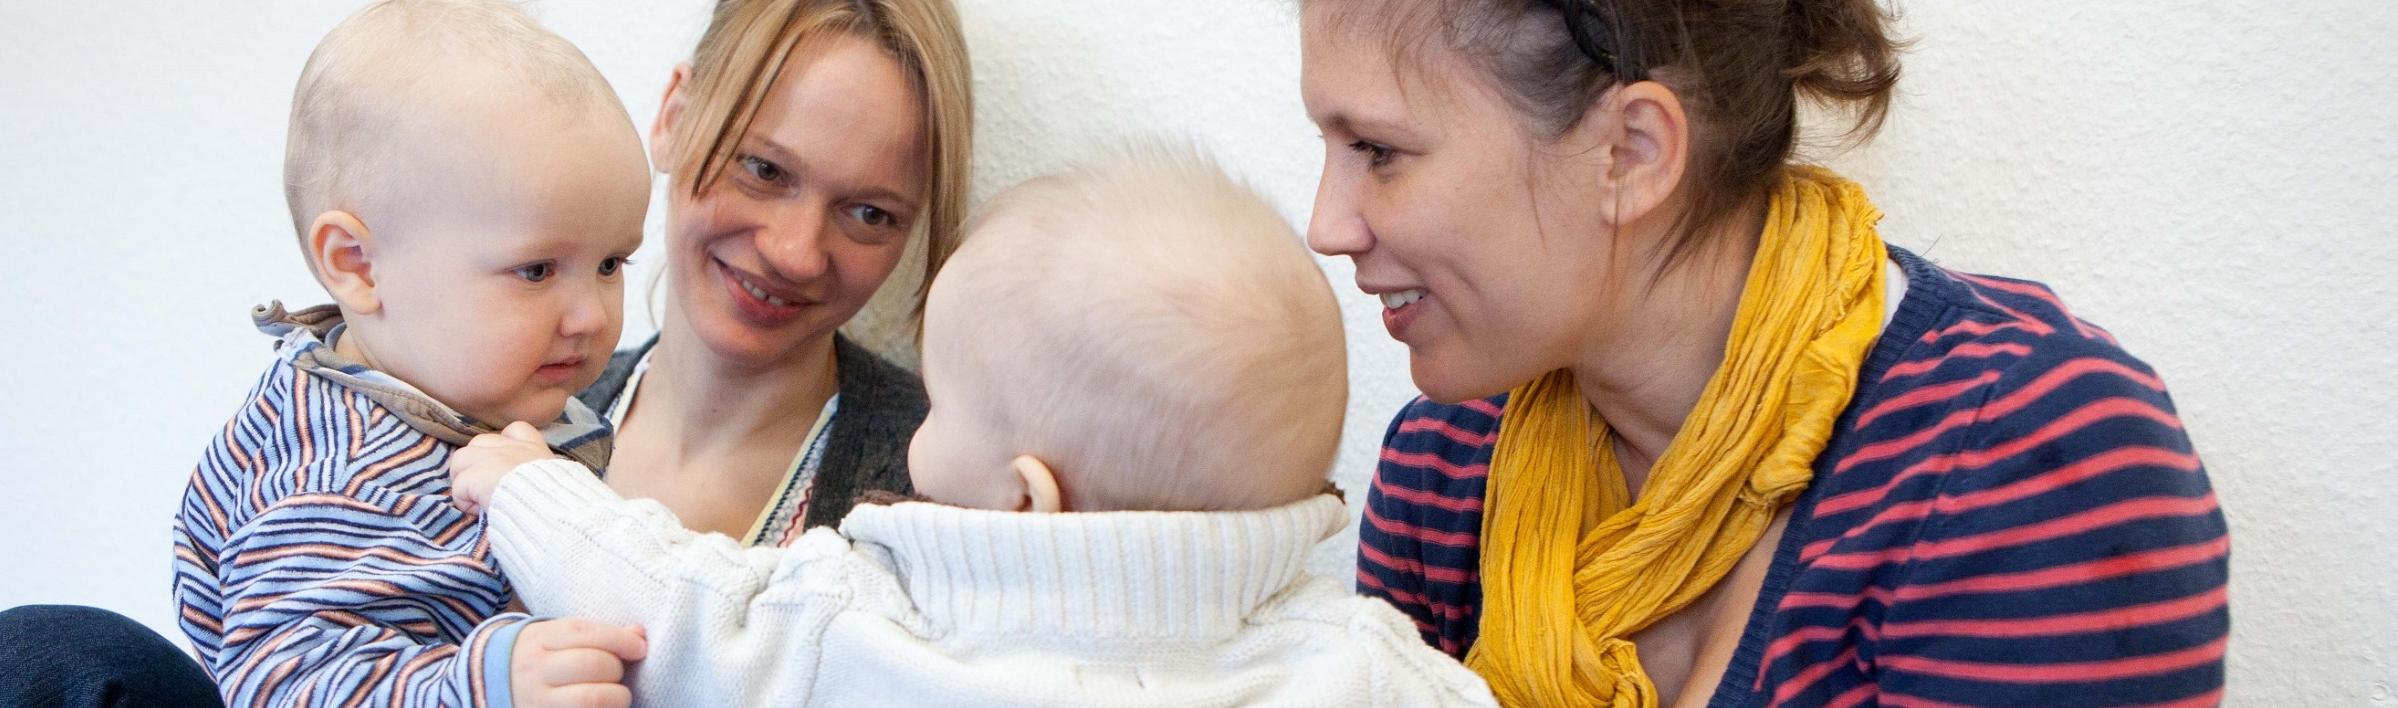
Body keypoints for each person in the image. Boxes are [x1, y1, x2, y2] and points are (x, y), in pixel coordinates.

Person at [1298, 1, 2230, 705]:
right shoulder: (1449, 465)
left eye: (1378, 150)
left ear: (1630, 151)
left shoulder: (2031, 459)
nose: (1326, 226)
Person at [445, 145, 1500, 707]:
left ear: (1028, 499)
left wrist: (527, 488)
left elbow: (675, 599)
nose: (915, 436)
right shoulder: (1363, 669)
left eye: (941, 406)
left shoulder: (868, 629)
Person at [167, 0, 654, 704]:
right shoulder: (336, 480)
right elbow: (287, 685)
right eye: (538, 270)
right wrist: (479, 684)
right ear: (359, 266)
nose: (591, 316)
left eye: (612, 264)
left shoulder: (473, 399)